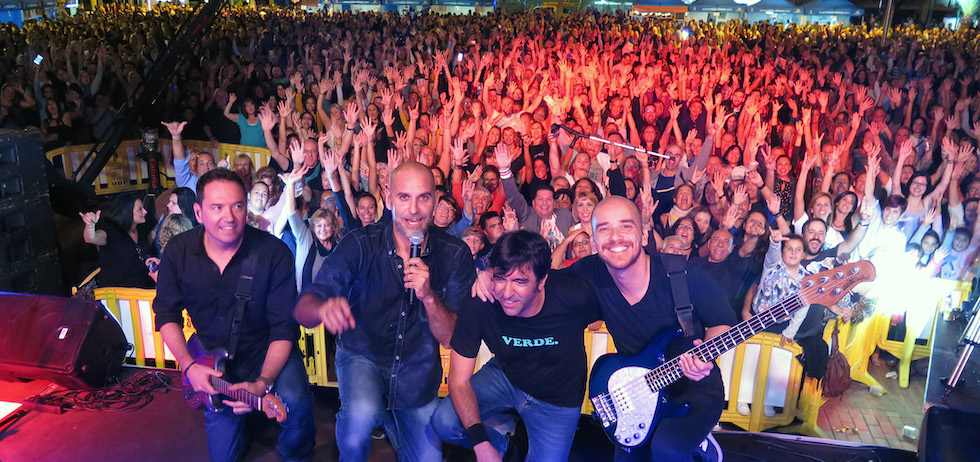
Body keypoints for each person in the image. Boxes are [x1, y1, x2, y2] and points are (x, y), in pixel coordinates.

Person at [294, 161, 477, 461]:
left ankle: (393, 421)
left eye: (423, 197)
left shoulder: (455, 255)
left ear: (435, 200)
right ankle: (363, 419)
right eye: (404, 197)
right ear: (389, 198)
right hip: (362, 354)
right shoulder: (360, 243)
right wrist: (323, 308)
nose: (414, 209)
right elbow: (304, 307)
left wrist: (429, 297)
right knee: (360, 422)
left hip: (416, 371)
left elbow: (450, 338)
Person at [152, 168, 315, 462]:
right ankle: (245, 422)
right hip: (212, 362)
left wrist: (263, 382)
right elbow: (165, 314)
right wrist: (189, 366)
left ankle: (296, 456)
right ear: (199, 213)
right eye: (217, 207)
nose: (229, 217)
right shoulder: (178, 252)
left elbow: (283, 329)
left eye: (237, 206)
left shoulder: (274, 253)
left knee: (297, 403)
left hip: (266, 351)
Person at [432, 230, 598, 461]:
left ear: (542, 281)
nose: (507, 293)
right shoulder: (482, 301)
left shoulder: (574, 296)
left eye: (520, 281)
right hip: (507, 377)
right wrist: (481, 444)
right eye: (500, 278)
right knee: (444, 420)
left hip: (559, 398)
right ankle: (505, 449)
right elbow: (459, 381)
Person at [79, 193, 156, 289]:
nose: (145, 212)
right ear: (127, 211)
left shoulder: (141, 229)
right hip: (117, 294)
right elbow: (90, 238)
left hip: (143, 292)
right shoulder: (110, 230)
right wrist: (90, 226)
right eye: (140, 209)